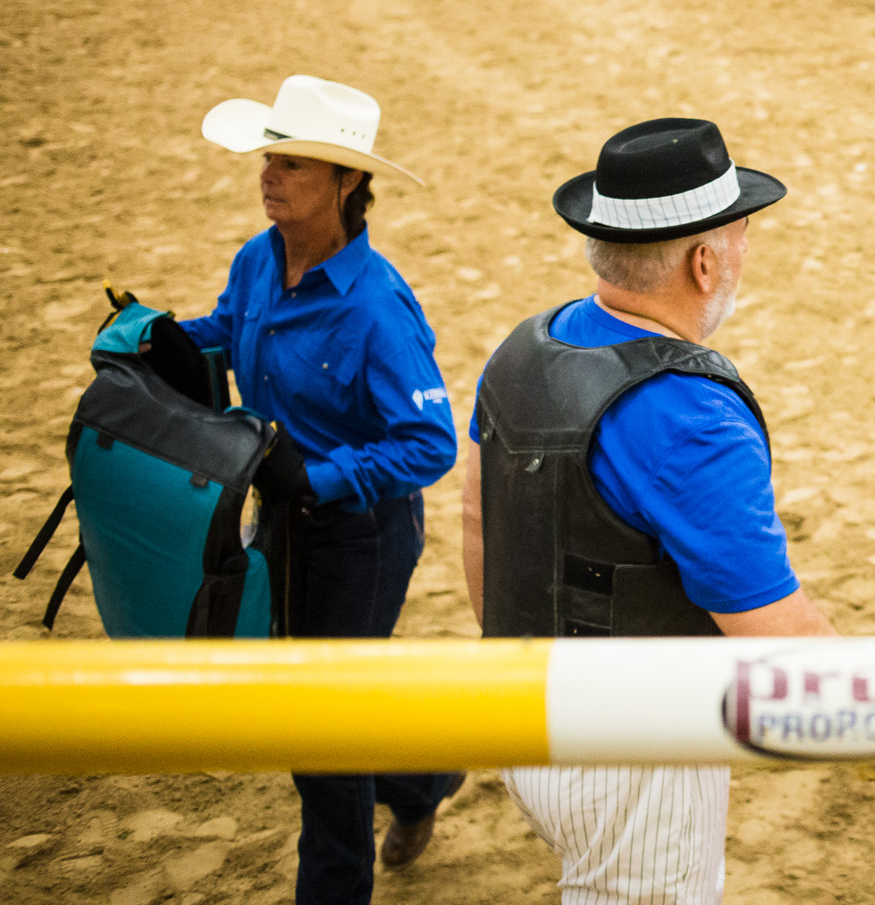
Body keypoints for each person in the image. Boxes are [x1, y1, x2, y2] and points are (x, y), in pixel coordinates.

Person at [465, 118, 836, 904]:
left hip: (522, 706)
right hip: (632, 753)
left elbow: (478, 526)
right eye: (740, 234)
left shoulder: (525, 346)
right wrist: (868, 700)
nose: (744, 253)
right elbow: (771, 631)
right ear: (704, 262)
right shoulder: (690, 414)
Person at [180, 75, 464, 905]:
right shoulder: (257, 258)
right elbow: (227, 330)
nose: (270, 176)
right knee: (325, 706)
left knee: (319, 736)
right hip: (287, 518)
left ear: (346, 182)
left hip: (362, 536)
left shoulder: (377, 308)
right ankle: (423, 779)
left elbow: (429, 441)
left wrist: (323, 476)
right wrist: (164, 338)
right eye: (270, 157)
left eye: (294, 163)